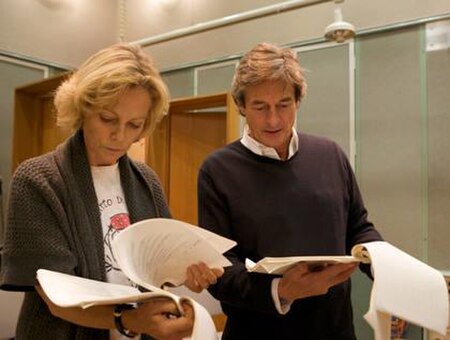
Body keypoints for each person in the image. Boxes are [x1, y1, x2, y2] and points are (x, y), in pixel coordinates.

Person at [0, 43, 222, 340]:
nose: (120, 136)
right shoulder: (38, 180)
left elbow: (157, 271)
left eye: (134, 125)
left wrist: (189, 274)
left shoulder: (146, 181)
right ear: (82, 108)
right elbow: (56, 298)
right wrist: (130, 320)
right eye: (107, 119)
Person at [197, 42, 383, 340]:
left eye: (284, 104)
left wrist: (386, 268)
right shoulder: (218, 170)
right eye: (260, 107)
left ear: (298, 100)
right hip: (257, 333)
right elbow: (219, 270)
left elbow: (358, 227)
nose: (274, 120)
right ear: (241, 106)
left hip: (335, 330)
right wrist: (281, 289)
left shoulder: (330, 155)